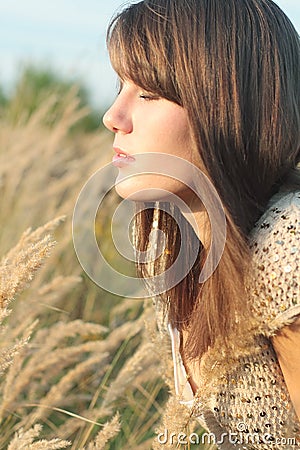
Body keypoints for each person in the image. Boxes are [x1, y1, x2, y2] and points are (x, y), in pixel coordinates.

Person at [103, 0, 300, 448]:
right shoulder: (177, 245)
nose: (113, 116)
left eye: (149, 93)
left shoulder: (288, 250)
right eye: (120, 87)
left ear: (227, 106)